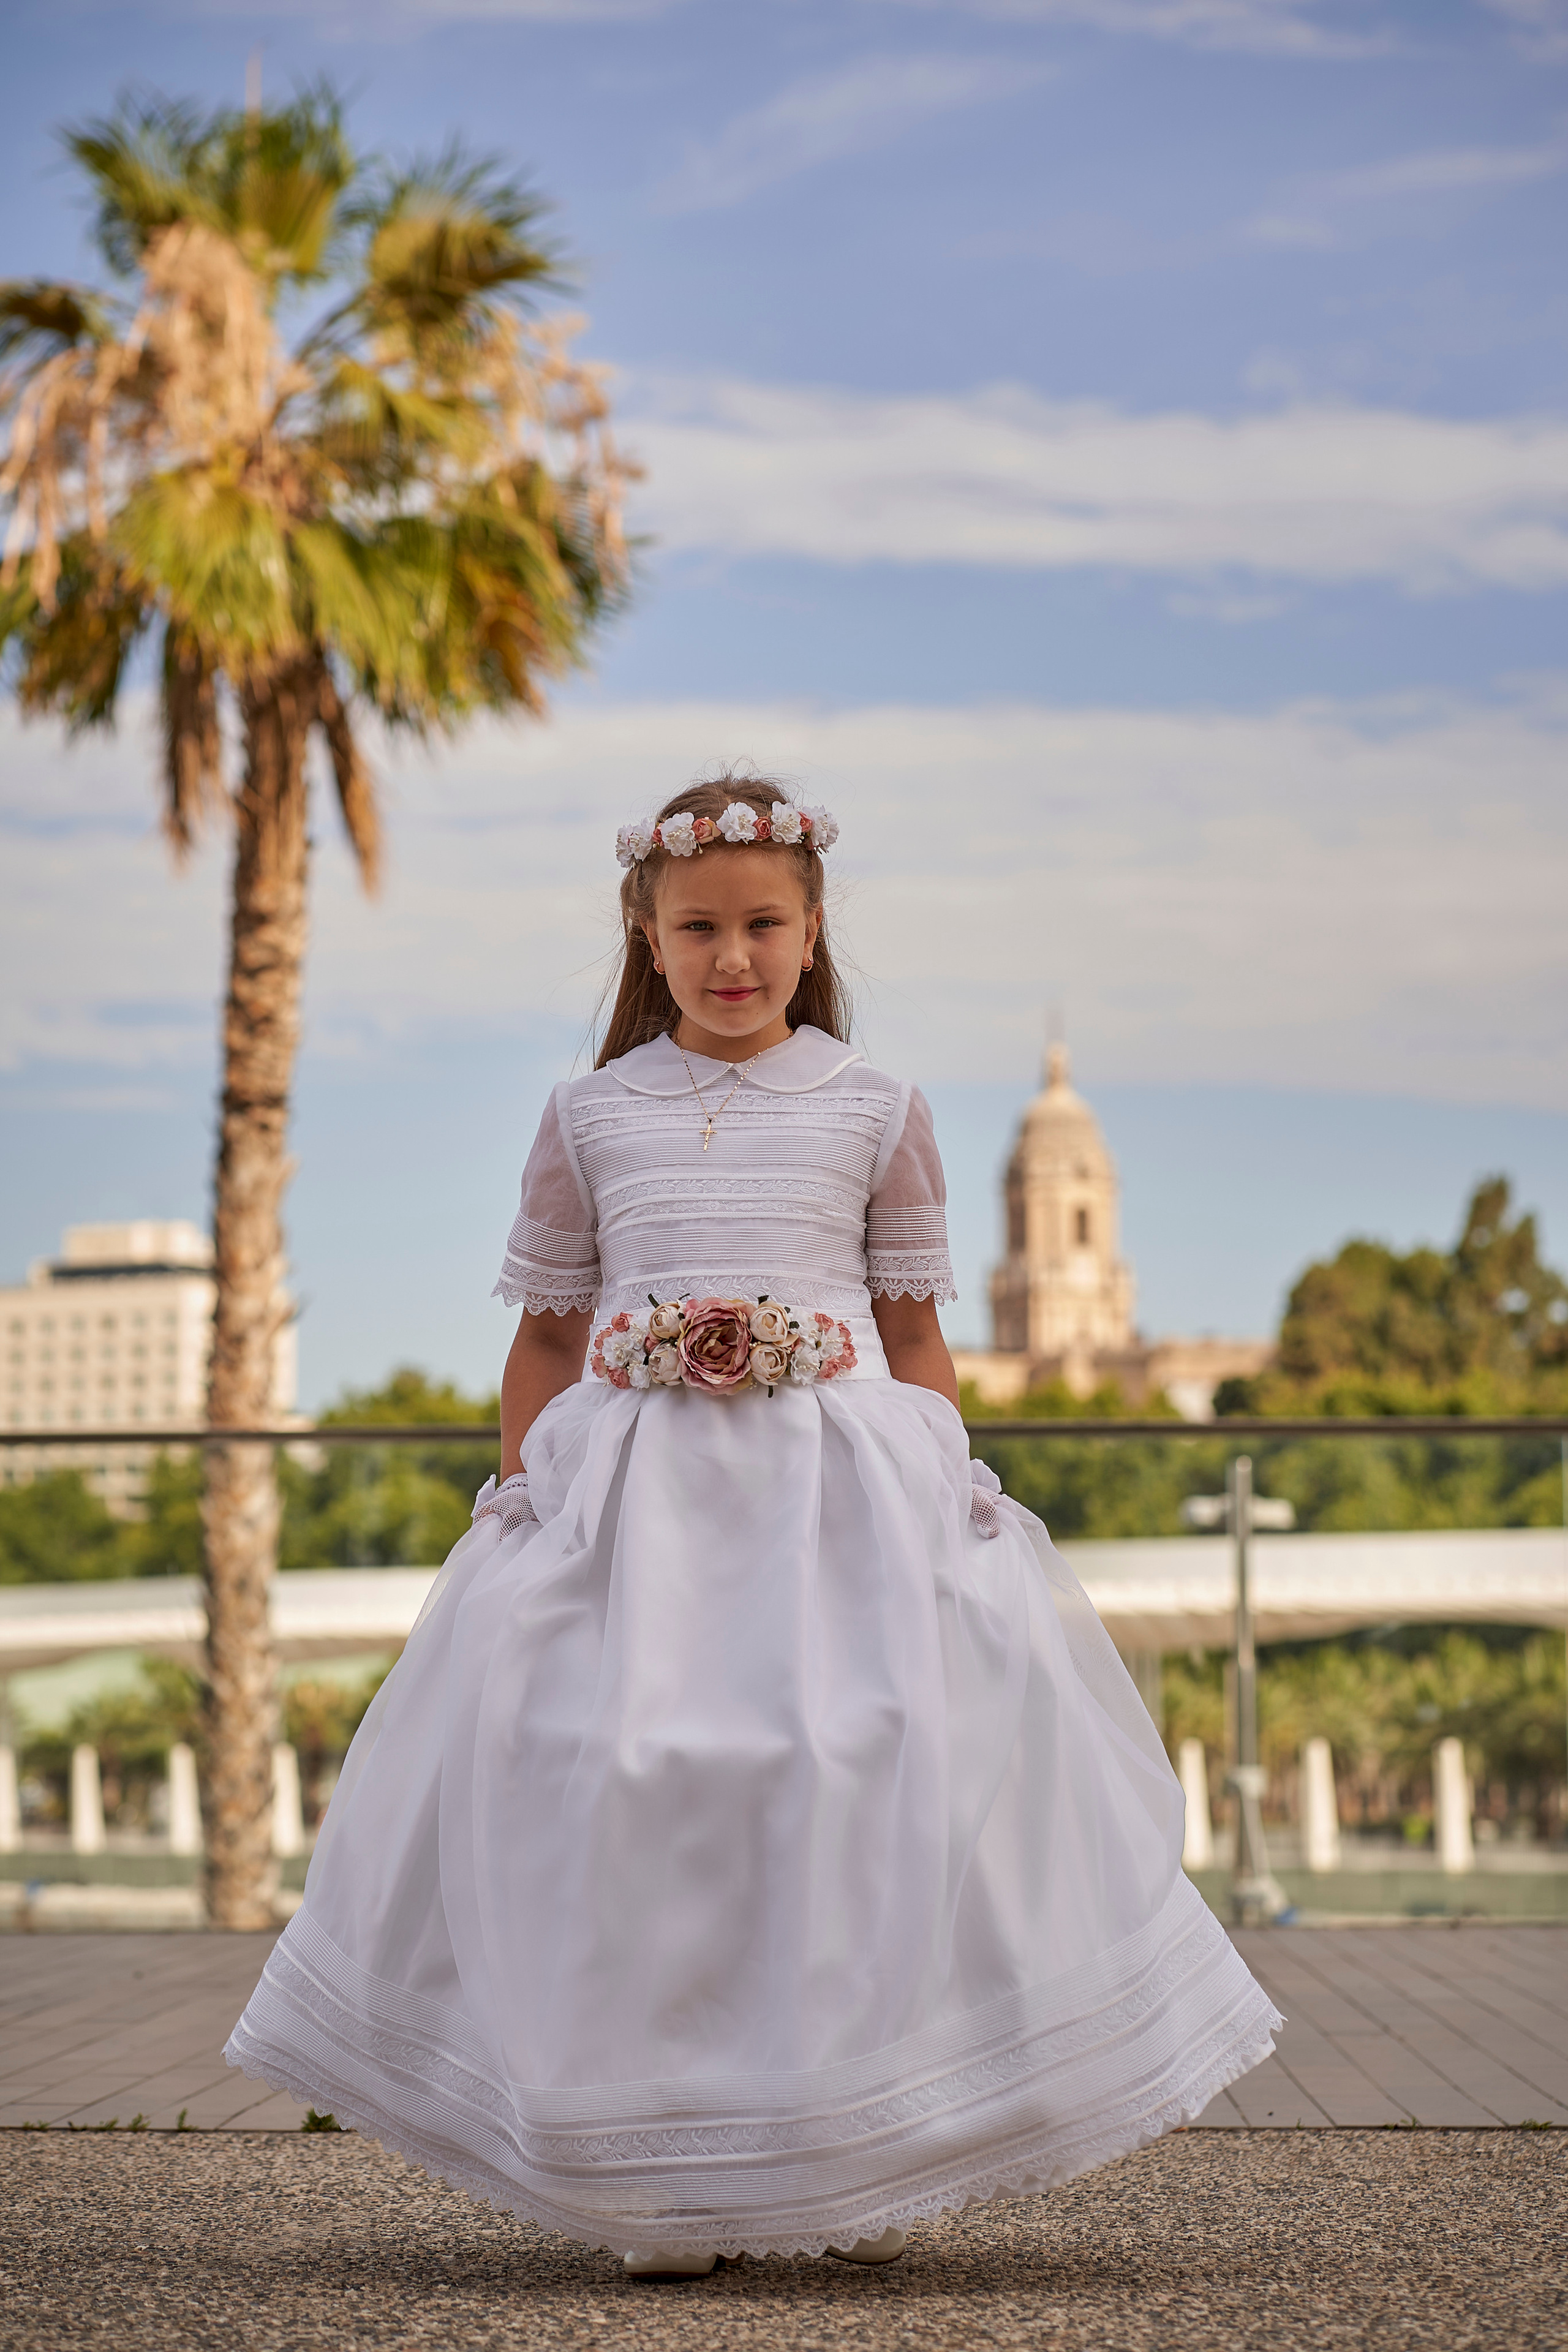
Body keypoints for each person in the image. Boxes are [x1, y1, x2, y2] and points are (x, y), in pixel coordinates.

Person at [227, 771, 1280, 2277]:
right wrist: (527, 1486)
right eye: (700, 929)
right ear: (646, 939)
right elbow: (545, 1338)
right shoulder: (589, 1114)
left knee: (840, 1780)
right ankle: (652, 2170)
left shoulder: (874, 1106)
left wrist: (938, 1472)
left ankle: (831, 2150)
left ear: (811, 928)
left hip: (831, 1506)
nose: (734, 957)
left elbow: (912, 1335)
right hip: (633, 1510)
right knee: (629, 1784)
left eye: (763, 926)